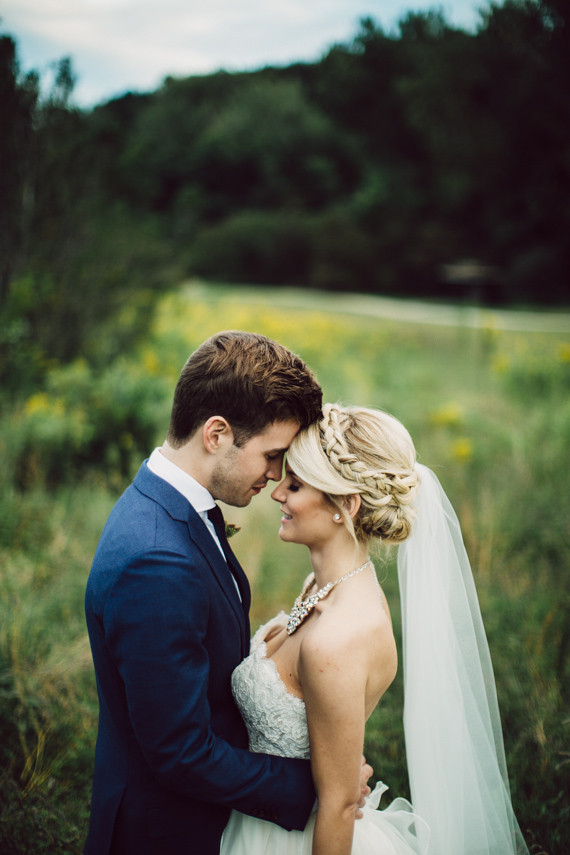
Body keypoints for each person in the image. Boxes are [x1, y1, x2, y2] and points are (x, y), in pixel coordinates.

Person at [85, 331, 373, 855]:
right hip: (165, 834)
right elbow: (179, 753)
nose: (277, 476)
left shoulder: (165, 503)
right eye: (272, 455)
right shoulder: (157, 561)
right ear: (216, 434)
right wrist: (321, 790)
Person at [220, 403, 530, 855]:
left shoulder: (339, 638)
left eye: (296, 483)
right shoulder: (321, 587)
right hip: (257, 814)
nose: (277, 493)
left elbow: (341, 805)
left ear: (344, 506)